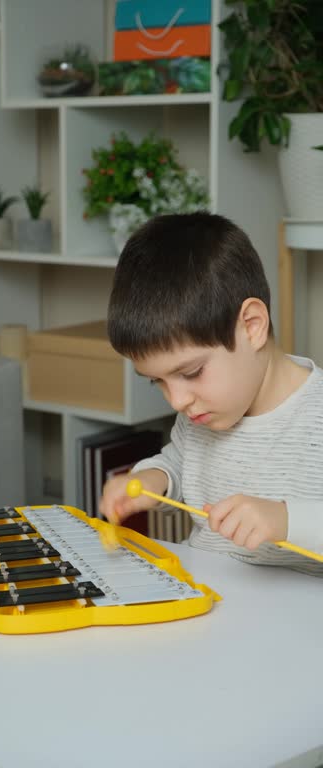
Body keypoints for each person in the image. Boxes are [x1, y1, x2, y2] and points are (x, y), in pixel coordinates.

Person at [99, 212, 323, 576]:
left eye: (191, 373)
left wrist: (285, 519)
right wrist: (152, 480)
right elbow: (181, 462)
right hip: (207, 601)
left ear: (252, 326)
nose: (177, 400)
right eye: (157, 381)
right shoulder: (203, 411)